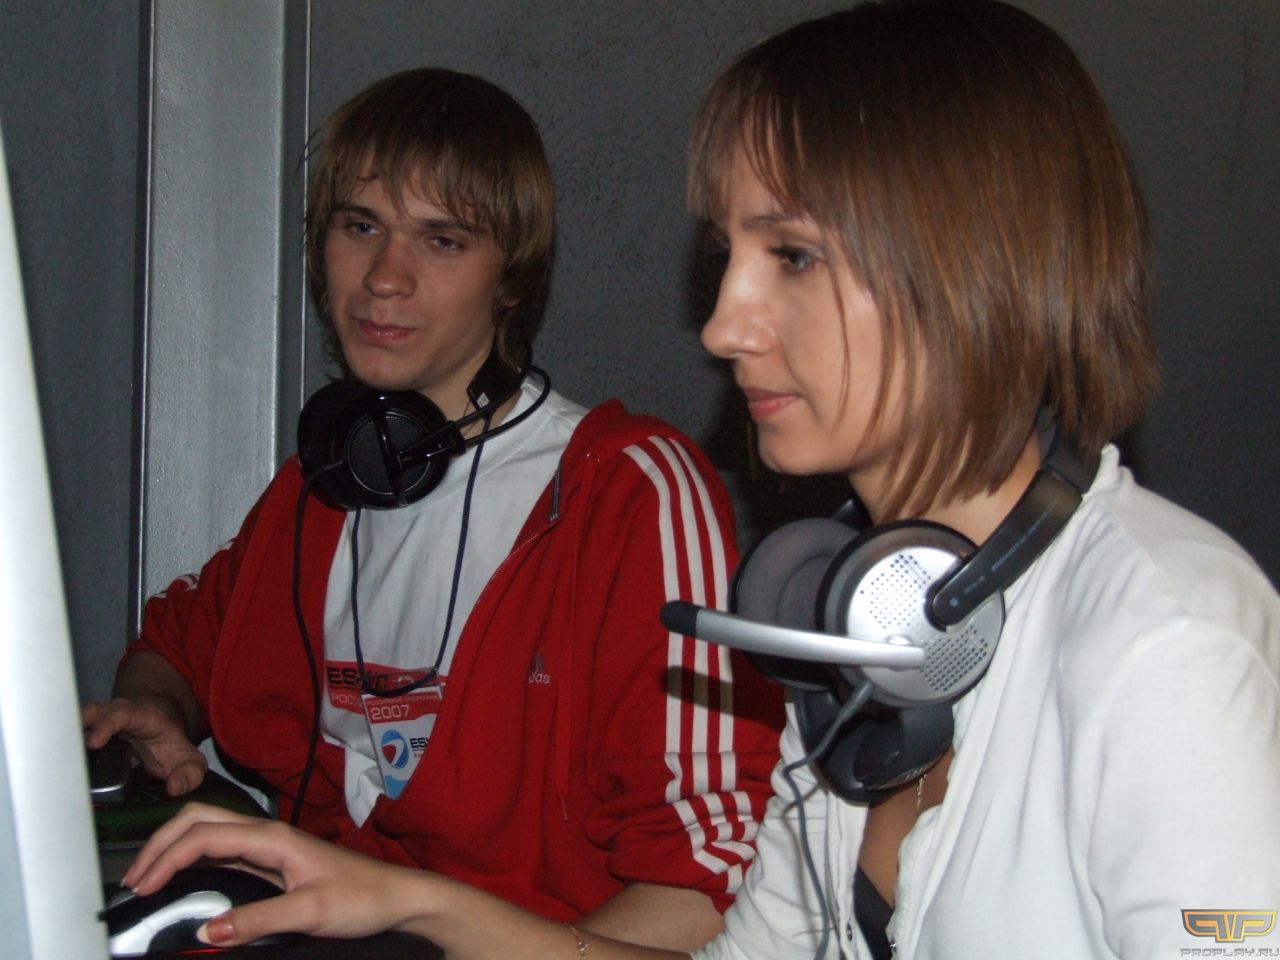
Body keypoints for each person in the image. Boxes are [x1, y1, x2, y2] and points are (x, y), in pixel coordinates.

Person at [115, 3, 1280, 958]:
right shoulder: (847, 640)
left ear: (968, 269)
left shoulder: (1165, 642)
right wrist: (413, 907)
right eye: (728, 255)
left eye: (791, 256)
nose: (721, 325)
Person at [82, 67, 784, 950]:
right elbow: (177, 648)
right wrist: (155, 709)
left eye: (442, 240)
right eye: (360, 226)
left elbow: (707, 889)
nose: (385, 277)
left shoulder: (628, 493)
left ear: (512, 278)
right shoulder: (318, 489)